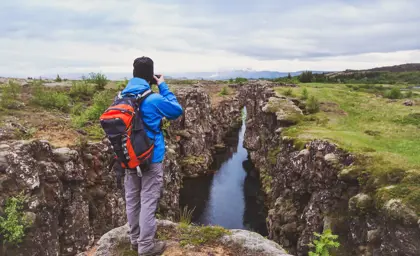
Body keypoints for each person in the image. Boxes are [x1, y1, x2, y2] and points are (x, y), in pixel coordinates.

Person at [121, 56, 183, 256]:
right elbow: (176, 110)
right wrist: (163, 85)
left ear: (133, 73)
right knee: (148, 200)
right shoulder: (153, 99)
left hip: (129, 157)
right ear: (151, 75)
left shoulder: (121, 97)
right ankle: (146, 247)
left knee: (132, 199)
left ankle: (134, 240)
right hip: (151, 157)